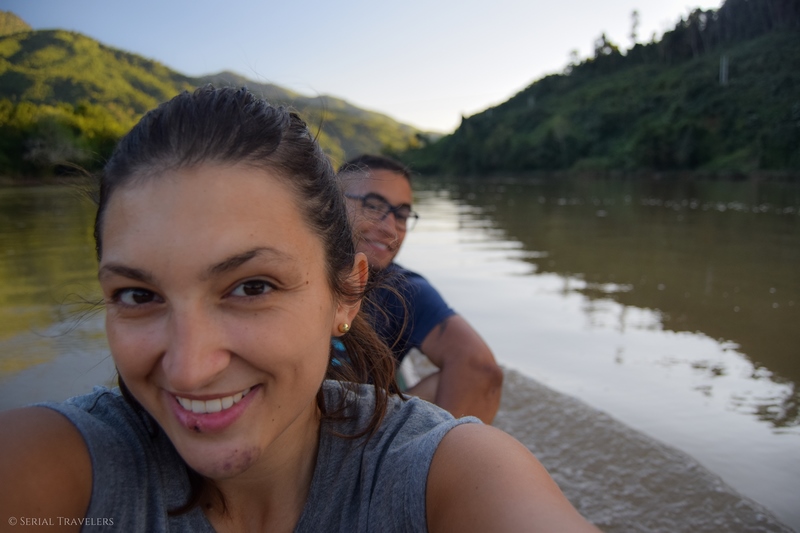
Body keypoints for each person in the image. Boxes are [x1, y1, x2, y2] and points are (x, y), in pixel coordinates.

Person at [0, 87, 598, 532]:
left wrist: (428, 467)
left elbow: (478, 385)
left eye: (252, 287)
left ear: (347, 294)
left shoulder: (440, 462)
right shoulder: (67, 467)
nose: (188, 369)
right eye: (138, 295)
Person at [337, 155, 503, 424]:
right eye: (373, 205)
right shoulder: (288, 273)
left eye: (401, 216)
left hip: (357, 432)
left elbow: (480, 370)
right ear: (331, 203)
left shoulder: (404, 290)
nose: (390, 229)